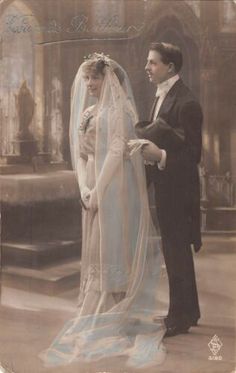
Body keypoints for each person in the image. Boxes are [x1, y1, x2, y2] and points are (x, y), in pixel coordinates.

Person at [40, 53, 166, 368]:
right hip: (93, 185)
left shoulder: (121, 111)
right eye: (87, 79)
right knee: (95, 244)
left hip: (115, 187)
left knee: (110, 242)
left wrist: (99, 191)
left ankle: (112, 304)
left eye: (94, 78)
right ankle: (96, 301)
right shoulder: (88, 114)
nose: (90, 84)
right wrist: (84, 187)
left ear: (108, 78)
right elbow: (81, 155)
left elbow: (114, 152)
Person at [134, 42, 203, 337]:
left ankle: (180, 317)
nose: (147, 68)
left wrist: (159, 157)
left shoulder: (187, 102)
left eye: (152, 63)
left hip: (179, 189)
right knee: (173, 250)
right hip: (166, 187)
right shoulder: (162, 95)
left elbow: (192, 156)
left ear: (170, 68)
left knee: (177, 251)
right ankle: (190, 310)